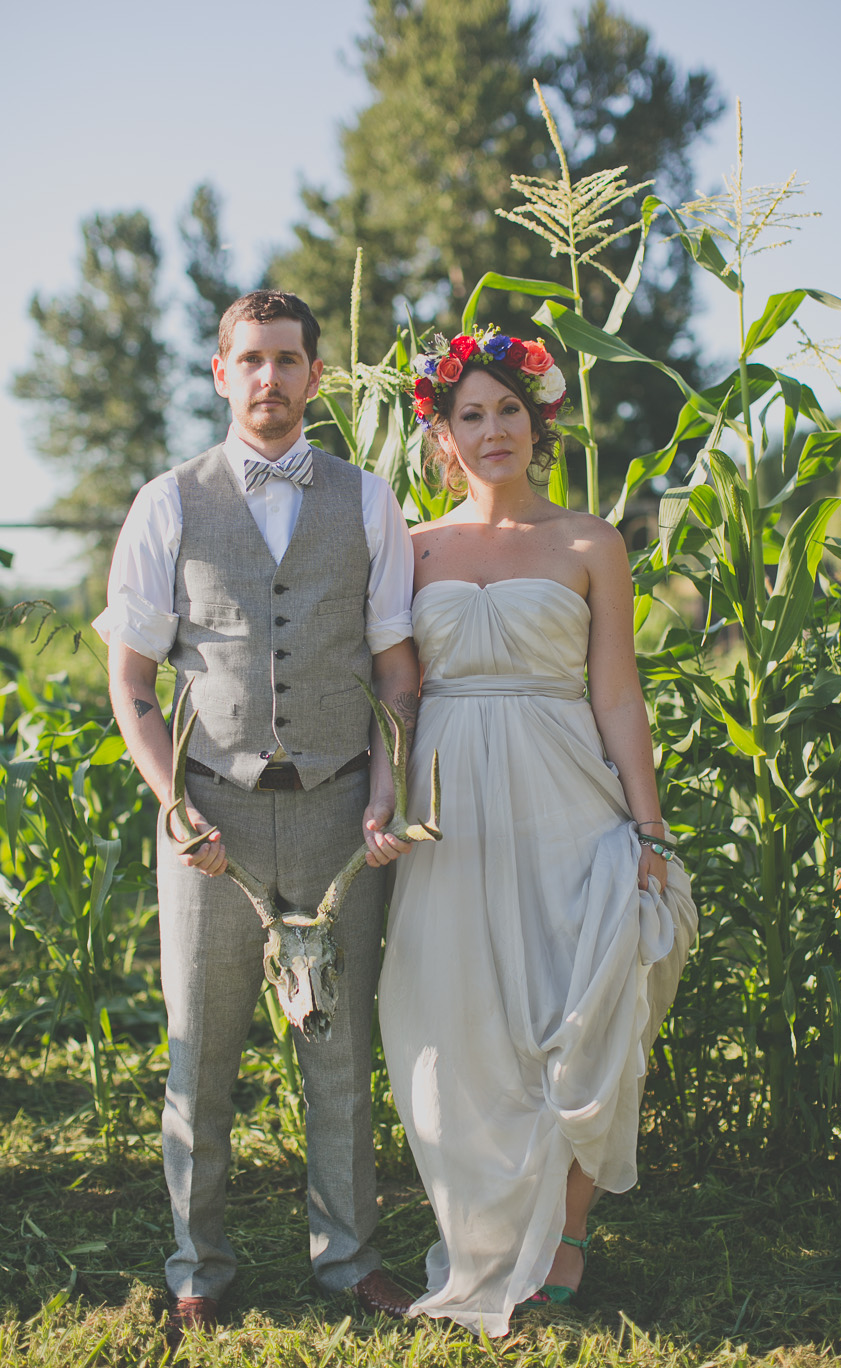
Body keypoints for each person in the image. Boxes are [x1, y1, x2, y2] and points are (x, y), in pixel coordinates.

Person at [94, 289, 421, 1338]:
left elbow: (398, 673)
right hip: (211, 821)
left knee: (340, 1054)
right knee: (203, 1051)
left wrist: (386, 783)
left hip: (335, 809)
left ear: (315, 376)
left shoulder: (368, 501)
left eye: (288, 360)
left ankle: (352, 1262)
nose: (270, 379)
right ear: (222, 373)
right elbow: (132, 682)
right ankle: (199, 1268)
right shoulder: (168, 501)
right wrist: (172, 805)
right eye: (250, 360)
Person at [378, 327, 697, 1337]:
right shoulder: (411, 546)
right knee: (452, 1027)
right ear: (442, 436)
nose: (491, 428)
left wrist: (647, 827)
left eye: (508, 409)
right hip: (453, 813)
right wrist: (384, 803)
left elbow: (617, 695)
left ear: (539, 420)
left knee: (585, 1007)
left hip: (566, 794)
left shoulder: (588, 541)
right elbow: (397, 697)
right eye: (469, 414)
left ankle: (564, 1236)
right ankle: (480, 1240)